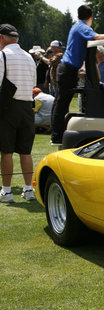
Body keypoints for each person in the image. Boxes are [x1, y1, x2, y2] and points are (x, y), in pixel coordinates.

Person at [50, 5, 104, 144]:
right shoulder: (82, 27)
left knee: (61, 102)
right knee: (61, 103)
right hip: (68, 69)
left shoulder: (77, 26)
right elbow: (96, 37)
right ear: (91, 17)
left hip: (68, 69)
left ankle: (57, 134)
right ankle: (57, 136)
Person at [0, 24, 36, 203]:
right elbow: (34, 82)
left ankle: (6, 191)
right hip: (27, 106)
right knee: (25, 151)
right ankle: (28, 189)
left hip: (9, 107)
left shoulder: (3, 55)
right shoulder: (29, 57)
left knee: (6, 151)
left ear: (2, 38)